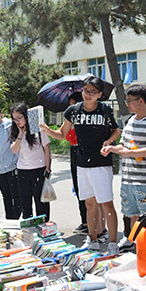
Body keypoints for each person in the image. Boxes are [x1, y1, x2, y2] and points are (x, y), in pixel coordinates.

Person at [41, 76, 120, 254]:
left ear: (99, 94)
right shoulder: (73, 111)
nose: (88, 94)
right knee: (89, 204)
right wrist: (48, 130)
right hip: (82, 163)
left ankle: (113, 243)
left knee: (107, 204)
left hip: (101, 163)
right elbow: (62, 134)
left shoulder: (105, 110)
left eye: (92, 92)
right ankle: (93, 240)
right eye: (85, 90)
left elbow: (116, 130)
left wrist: (109, 141)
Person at [101, 84, 146, 251]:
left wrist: (128, 153)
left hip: (144, 180)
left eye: (129, 101)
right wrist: (112, 149)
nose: (127, 104)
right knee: (131, 213)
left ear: (141, 101)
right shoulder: (130, 120)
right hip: (127, 178)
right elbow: (123, 146)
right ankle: (133, 242)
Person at [10, 103, 52, 221]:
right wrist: (20, 134)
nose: (17, 121)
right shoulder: (15, 131)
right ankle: (28, 227)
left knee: (41, 203)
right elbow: (14, 150)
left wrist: (48, 167)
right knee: (25, 203)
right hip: (22, 170)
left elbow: (46, 148)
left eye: (19, 118)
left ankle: (43, 225)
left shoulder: (38, 128)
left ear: (26, 116)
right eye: (14, 119)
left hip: (39, 168)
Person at [67, 92, 89, 236]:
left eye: (73, 104)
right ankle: (84, 221)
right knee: (78, 187)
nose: (72, 107)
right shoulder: (71, 119)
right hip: (74, 152)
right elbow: (68, 137)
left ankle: (92, 222)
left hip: (84, 152)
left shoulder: (86, 118)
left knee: (86, 188)